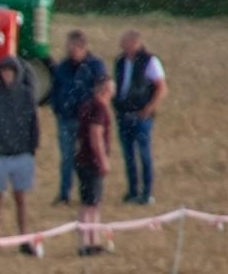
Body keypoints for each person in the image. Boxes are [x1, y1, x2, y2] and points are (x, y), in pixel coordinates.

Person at [0, 56, 42, 256]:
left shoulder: (26, 95)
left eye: (10, 71)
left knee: (21, 198)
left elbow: (34, 124)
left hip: (21, 154)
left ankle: (24, 238)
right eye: (4, 71)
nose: (7, 75)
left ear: (16, 73)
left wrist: (31, 149)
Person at [48, 29, 107, 205]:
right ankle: (64, 193)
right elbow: (55, 89)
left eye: (73, 47)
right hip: (65, 119)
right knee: (67, 157)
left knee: (89, 158)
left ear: (82, 47)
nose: (70, 50)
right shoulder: (62, 67)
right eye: (68, 47)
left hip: (87, 122)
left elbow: (104, 87)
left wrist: (92, 112)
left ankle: (90, 193)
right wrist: (57, 108)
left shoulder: (95, 66)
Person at [112, 29, 167, 205]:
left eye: (125, 42)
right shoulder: (120, 61)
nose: (122, 45)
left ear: (135, 43)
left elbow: (161, 87)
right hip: (123, 114)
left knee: (143, 154)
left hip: (141, 115)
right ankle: (132, 191)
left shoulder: (150, 61)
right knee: (128, 155)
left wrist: (149, 108)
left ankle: (147, 193)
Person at [76, 76, 115, 255]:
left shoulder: (87, 105)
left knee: (88, 202)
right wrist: (103, 160)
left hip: (82, 160)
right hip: (91, 162)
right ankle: (89, 243)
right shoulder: (99, 108)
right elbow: (96, 135)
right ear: (105, 90)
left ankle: (90, 240)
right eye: (111, 89)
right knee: (92, 204)